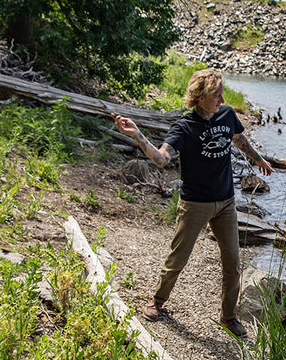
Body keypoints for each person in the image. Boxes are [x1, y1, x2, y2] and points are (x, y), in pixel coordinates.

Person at [111, 68, 273, 337]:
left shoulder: (227, 114)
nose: (221, 99)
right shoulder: (184, 127)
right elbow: (162, 159)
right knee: (178, 258)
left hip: (226, 202)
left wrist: (258, 159)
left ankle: (228, 317)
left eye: (222, 94)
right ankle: (157, 302)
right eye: (216, 95)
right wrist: (138, 135)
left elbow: (238, 138)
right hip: (195, 203)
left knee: (232, 262)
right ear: (200, 98)